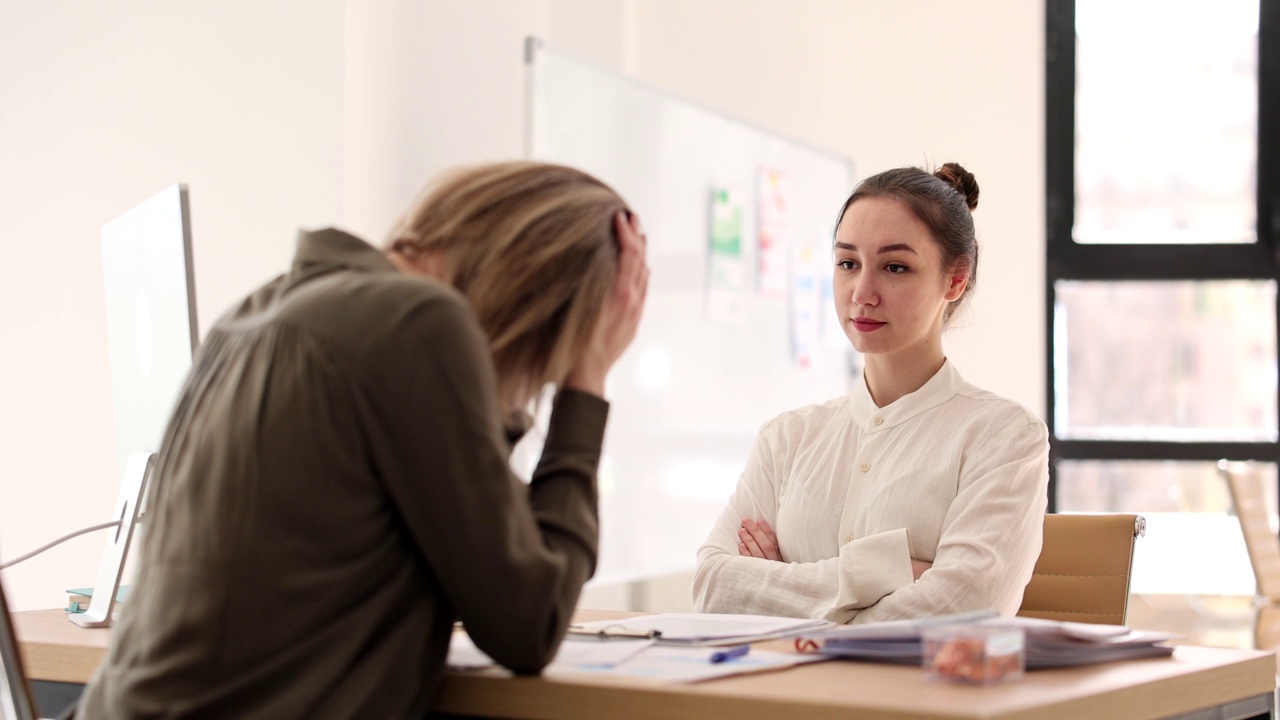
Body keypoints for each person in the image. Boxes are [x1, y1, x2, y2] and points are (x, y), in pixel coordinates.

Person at [76, 161, 649, 719]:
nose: (529, 382)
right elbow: (531, 622)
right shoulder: (418, 321)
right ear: (537, 299)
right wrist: (587, 383)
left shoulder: (254, 315)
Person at [692, 163, 1048, 624]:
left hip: (915, 696)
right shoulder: (787, 438)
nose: (862, 293)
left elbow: (967, 609)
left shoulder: (1004, 437)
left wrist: (781, 588)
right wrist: (892, 570)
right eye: (847, 263)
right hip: (784, 694)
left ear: (955, 279)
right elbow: (713, 588)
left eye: (894, 267)